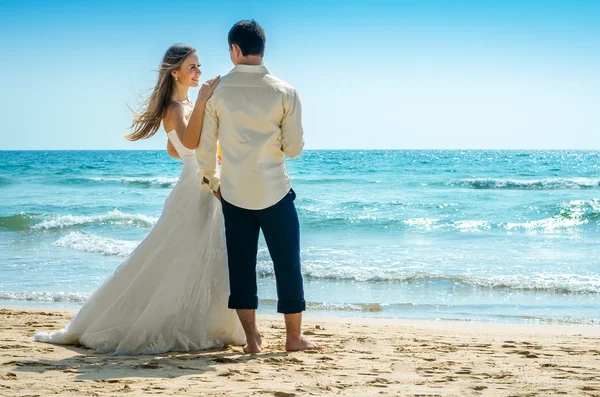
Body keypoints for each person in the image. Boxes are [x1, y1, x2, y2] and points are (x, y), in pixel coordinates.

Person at [34, 44, 245, 355]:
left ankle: (208, 324)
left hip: (202, 184)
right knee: (173, 257)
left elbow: (175, 149)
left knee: (202, 257)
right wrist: (202, 104)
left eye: (199, 67)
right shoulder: (176, 107)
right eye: (193, 68)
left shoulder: (184, 105)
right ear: (176, 72)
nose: (199, 72)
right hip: (193, 190)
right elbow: (187, 142)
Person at [193, 20, 322, 353]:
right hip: (276, 192)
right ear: (262, 49)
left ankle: (252, 340)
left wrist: (213, 180)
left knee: (241, 267)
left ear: (235, 50)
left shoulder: (216, 92)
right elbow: (294, 149)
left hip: (234, 194)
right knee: (287, 265)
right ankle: (293, 338)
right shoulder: (286, 91)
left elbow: (205, 149)